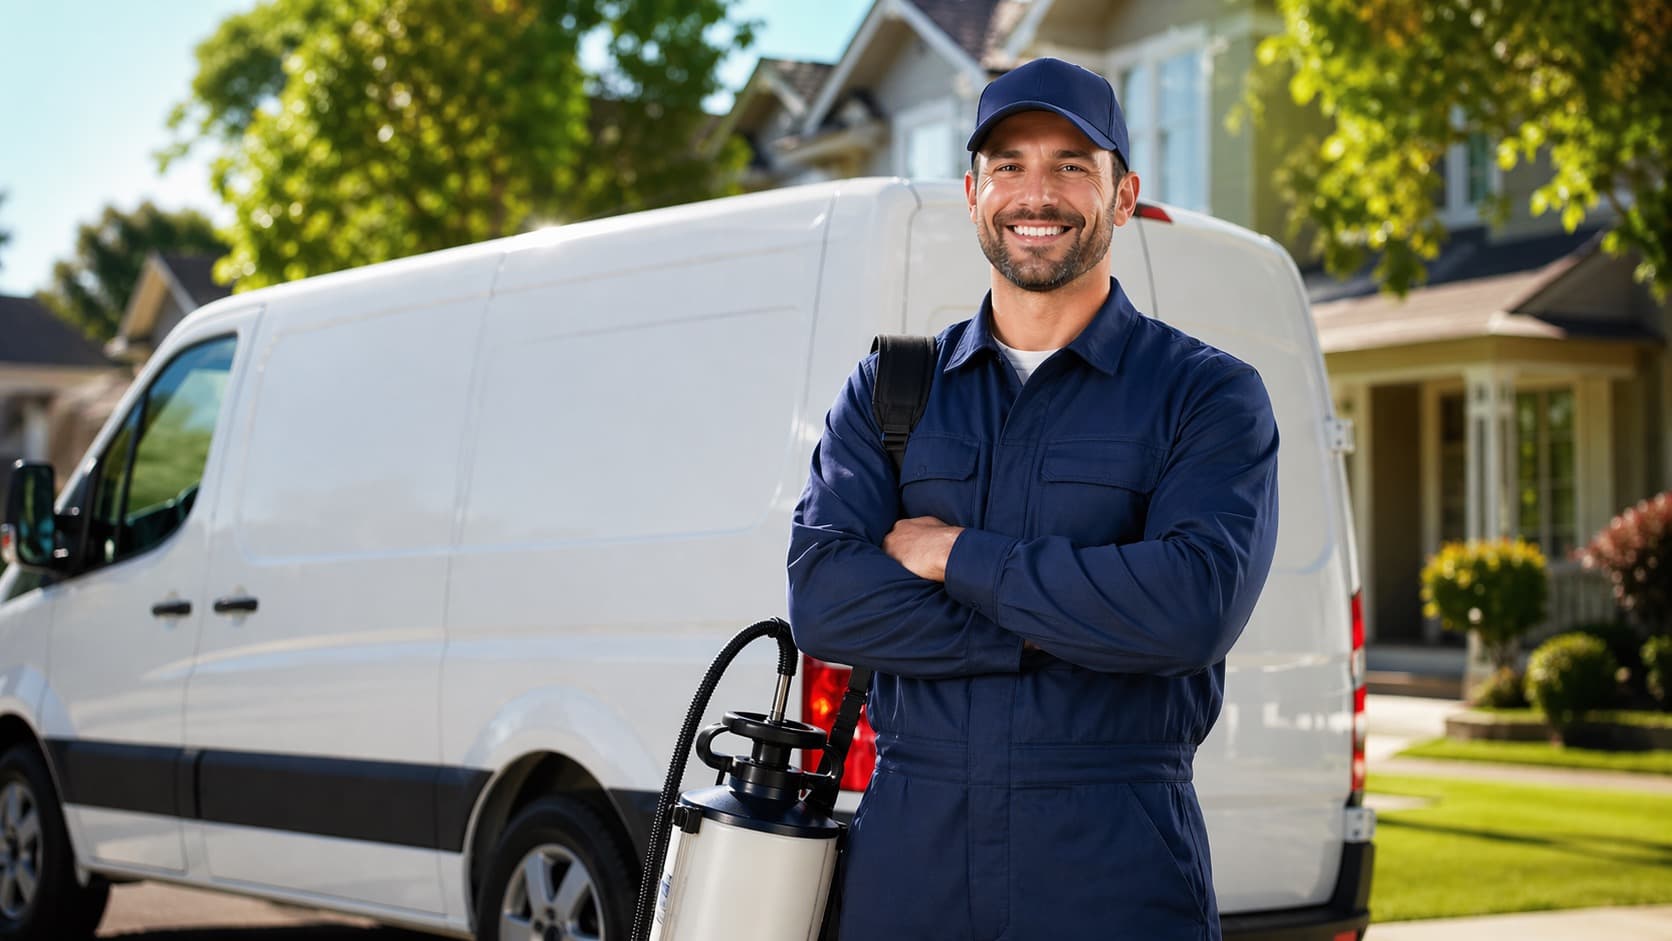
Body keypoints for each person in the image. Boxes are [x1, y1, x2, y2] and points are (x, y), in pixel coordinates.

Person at [786, 57, 1280, 941]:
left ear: (1122, 196)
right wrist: (1080, 626)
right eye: (1008, 165)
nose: (1035, 194)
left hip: (1116, 868)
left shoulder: (1206, 395)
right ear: (973, 193)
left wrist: (954, 557)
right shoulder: (893, 387)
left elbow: (1190, 608)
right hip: (911, 862)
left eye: (1070, 166)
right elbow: (825, 601)